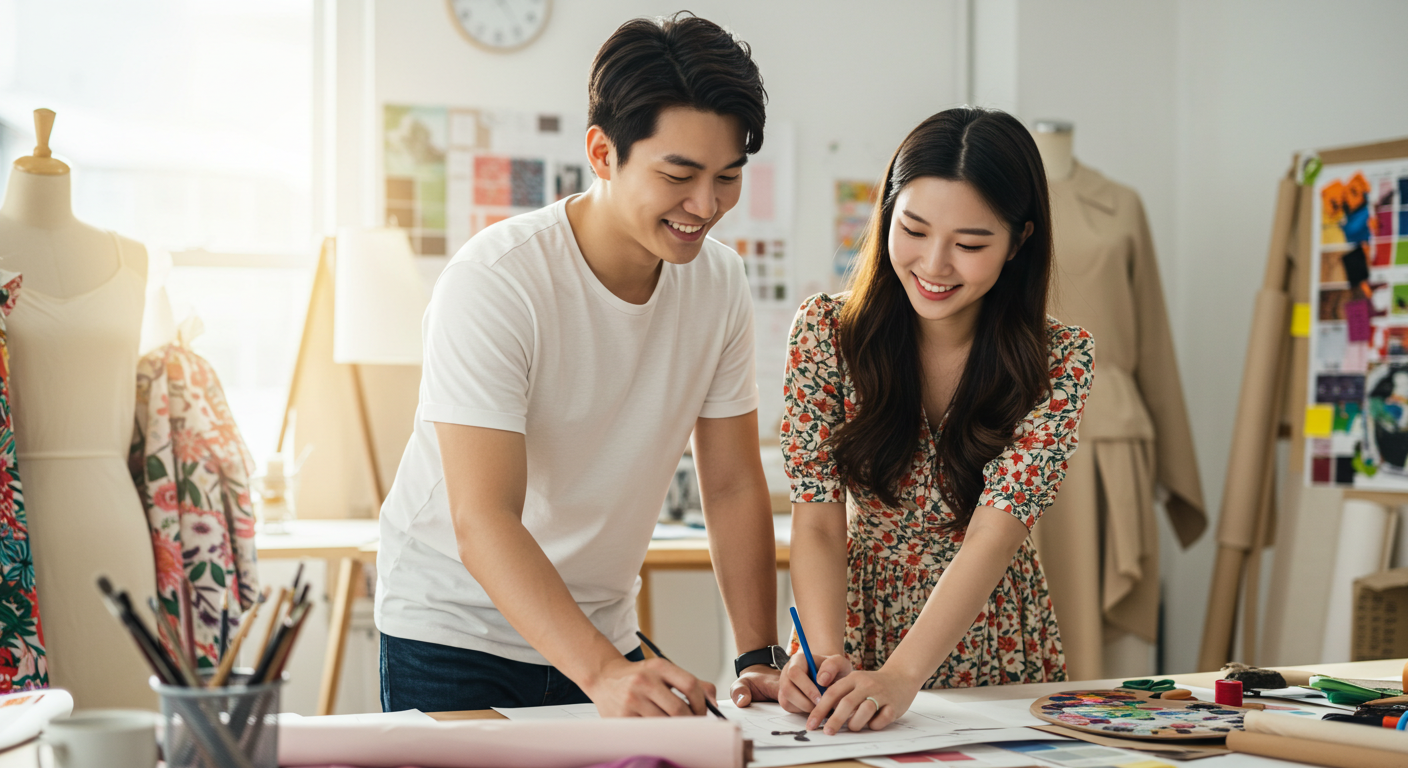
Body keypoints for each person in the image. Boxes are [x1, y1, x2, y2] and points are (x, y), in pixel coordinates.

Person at [375, 13, 787, 716]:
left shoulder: (718, 282)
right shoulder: (497, 281)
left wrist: (758, 657)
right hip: (453, 632)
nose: (707, 205)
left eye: (727, 177)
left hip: (602, 631)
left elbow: (731, 484)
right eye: (679, 174)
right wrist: (602, 672)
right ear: (602, 152)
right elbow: (484, 518)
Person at [777, 107, 1094, 733]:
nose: (934, 264)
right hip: (855, 616)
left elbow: (994, 534)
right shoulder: (825, 334)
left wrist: (903, 674)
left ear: (1019, 241)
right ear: (886, 212)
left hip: (991, 630)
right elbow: (816, 517)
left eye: (970, 245)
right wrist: (823, 654)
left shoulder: (1060, 360)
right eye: (913, 230)